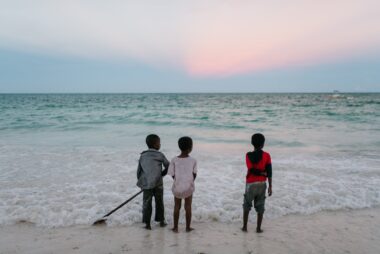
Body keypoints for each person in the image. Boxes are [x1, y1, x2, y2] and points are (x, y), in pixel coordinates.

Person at [137, 134, 169, 230]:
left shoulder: (143, 155)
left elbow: (139, 171)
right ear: (155, 144)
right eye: (159, 142)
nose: (160, 144)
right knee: (159, 202)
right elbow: (168, 166)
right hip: (158, 183)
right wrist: (162, 174)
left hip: (147, 184)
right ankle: (161, 221)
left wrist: (141, 183)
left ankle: (147, 224)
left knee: (147, 203)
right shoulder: (160, 155)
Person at [242, 133, 272, 233]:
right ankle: (258, 228)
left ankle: (245, 227)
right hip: (262, 184)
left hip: (250, 183)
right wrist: (270, 186)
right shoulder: (267, 155)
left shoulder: (248, 155)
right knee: (260, 206)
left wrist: (260, 172)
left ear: (252, 143)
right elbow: (270, 172)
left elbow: (251, 170)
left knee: (247, 205)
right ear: (263, 144)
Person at [168, 136, 197, 233]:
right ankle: (188, 227)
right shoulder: (193, 160)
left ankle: (175, 227)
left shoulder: (174, 160)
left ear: (179, 146)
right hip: (188, 187)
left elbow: (172, 174)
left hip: (177, 187)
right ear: (190, 148)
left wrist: (178, 180)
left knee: (177, 206)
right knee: (188, 207)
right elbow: (194, 174)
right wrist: (189, 182)